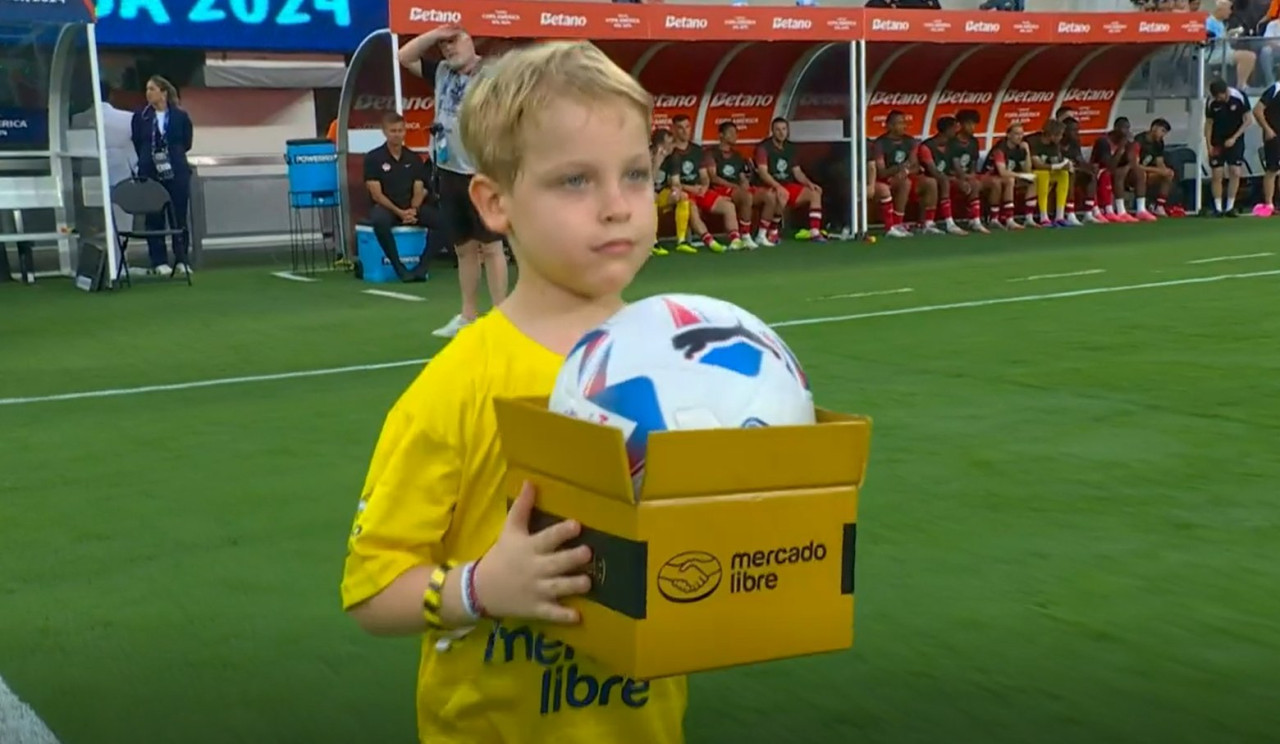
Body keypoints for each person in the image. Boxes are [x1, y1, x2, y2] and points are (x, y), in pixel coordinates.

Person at [341, 40, 686, 744]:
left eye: (635, 174)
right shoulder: (460, 384)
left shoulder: (684, 359)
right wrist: (480, 589)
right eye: (575, 182)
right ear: (495, 202)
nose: (618, 207)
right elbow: (372, 590)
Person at [398, 24, 508, 338]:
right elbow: (404, 56)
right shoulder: (442, 72)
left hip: (481, 172)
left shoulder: (490, 75)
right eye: (443, 45)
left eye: (453, 42)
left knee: (491, 246)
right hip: (448, 171)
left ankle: (501, 317)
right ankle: (468, 314)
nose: (448, 50)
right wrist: (434, 35)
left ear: (469, 39)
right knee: (464, 248)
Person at [130, 75, 193, 276]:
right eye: (147, 89)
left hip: (176, 170)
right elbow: (137, 141)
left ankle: (182, 260)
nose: (148, 93)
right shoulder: (141, 116)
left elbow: (186, 142)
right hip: (150, 171)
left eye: (152, 89)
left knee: (178, 216)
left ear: (163, 92)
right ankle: (159, 260)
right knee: (154, 217)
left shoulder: (180, 117)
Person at [363, 112, 433, 282]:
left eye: (400, 130)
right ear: (385, 132)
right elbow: (376, 194)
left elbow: (419, 187)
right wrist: (400, 212)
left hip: (409, 207)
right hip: (387, 208)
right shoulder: (373, 158)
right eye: (393, 131)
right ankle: (399, 267)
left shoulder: (413, 158)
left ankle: (422, 267)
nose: (397, 134)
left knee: (443, 220)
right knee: (379, 221)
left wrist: (413, 210)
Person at [753, 116, 825, 242]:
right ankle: (773, 231)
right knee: (782, 195)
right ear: (772, 131)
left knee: (815, 193)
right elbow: (763, 173)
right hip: (769, 186)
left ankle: (814, 232)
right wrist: (778, 186)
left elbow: (797, 172)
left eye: (784, 129)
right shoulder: (764, 147)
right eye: (778, 130)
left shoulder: (790, 147)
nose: (781, 133)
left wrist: (809, 183)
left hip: (786, 185)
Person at [706, 121, 775, 248]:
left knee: (769, 196)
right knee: (746, 196)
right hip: (720, 189)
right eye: (731, 133)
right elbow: (713, 177)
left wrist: (744, 183)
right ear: (721, 135)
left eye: (736, 133)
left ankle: (761, 236)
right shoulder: (711, 153)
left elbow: (742, 175)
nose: (735, 135)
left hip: (737, 189)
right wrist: (735, 187)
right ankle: (745, 236)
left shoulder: (737, 155)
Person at [667, 115, 729, 253]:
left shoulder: (696, 150)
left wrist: (704, 187)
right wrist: (692, 189)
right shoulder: (670, 151)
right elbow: (671, 182)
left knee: (728, 205)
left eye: (687, 127)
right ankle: (709, 240)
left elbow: (704, 175)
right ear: (674, 130)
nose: (685, 131)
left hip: (698, 189)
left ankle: (737, 238)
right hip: (680, 191)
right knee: (691, 205)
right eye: (680, 128)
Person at [875, 110, 939, 237]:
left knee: (930, 182)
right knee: (905, 183)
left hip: (905, 176)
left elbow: (914, 165)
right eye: (899, 123)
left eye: (904, 122)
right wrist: (899, 169)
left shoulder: (910, 141)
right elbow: (881, 172)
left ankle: (927, 223)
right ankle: (897, 224)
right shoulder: (880, 143)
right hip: (887, 180)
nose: (904, 126)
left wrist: (906, 170)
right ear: (890, 126)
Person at [1205, 78, 1252, 217]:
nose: (1221, 99)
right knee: (1217, 174)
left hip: (1235, 139)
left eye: (1222, 95)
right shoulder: (1211, 102)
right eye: (1218, 97)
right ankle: (1218, 208)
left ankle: (1230, 206)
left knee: (1235, 171)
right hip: (1217, 140)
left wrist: (1234, 137)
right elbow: (1208, 124)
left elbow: (1248, 120)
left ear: (1226, 91)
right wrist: (1209, 146)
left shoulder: (1239, 96)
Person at [917, 116, 968, 235]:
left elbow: (957, 167)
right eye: (955, 128)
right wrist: (951, 179)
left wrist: (962, 180)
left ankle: (975, 221)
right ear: (948, 129)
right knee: (942, 181)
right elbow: (933, 172)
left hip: (946, 178)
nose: (957, 131)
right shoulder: (927, 146)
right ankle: (949, 223)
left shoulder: (953, 145)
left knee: (973, 184)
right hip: (928, 179)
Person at [651, 128, 697, 255]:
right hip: (641, 196)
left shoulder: (674, 156)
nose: (673, 145)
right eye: (670, 142)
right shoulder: (646, 155)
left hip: (660, 194)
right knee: (651, 197)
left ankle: (681, 242)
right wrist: (658, 161)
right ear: (660, 145)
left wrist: (676, 188)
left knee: (683, 196)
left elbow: (675, 180)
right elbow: (648, 182)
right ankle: (652, 243)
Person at [981, 124, 1032, 230]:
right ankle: (994, 219)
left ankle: (1027, 218)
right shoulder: (1000, 148)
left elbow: (1027, 170)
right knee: (1005, 180)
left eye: (1021, 134)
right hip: (988, 176)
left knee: (1033, 180)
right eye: (1016, 134)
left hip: (1005, 177)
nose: (1020, 137)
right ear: (1008, 135)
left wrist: (1027, 151)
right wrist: (1022, 175)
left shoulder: (1020, 149)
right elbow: (1002, 171)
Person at [949, 109, 992, 233]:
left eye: (974, 124)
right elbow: (954, 165)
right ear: (960, 125)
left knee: (992, 182)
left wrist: (972, 174)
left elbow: (973, 163)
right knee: (975, 184)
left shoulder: (974, 141)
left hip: (969, 175)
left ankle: (994, 218)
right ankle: (975, 220)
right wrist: (965, 177)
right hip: (953, 176)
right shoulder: (953, 141)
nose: (972, 127)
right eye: (969, 124)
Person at [1027, 120, 1075, 227]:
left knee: (1064, 174)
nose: (1061, 137)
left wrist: (1067, 165)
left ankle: (1060, 216)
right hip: (1029, 172)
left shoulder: (1055, 145)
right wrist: (1059, 166)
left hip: (1046, 171)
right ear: (1052, 135)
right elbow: (1037, 164)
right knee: (1044, 174)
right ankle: (1044, 217)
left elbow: (1057, 161)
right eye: (1060, 135)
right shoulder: (1033, 141)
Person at [1126, 118, 1175, 220]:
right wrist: (1158, 171)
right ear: (1154, 128)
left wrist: (1165, 171)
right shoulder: (1139, 140)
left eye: (1165, 133)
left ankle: (1159, 206)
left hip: (1147, 173)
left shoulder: (1159, 143)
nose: (1163, 135)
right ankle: (1141, 208)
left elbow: (1160, 162)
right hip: (1132, 174)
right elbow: (1135, 165)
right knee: (1141, 174)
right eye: (1162, 131)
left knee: (1169, 174)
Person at [1254, 79, 1280, 215]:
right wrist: (1267, 129)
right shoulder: (1275, 89)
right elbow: (1257, 110)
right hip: (1274, 135)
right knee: (1273, 169)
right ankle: (1269, 203)